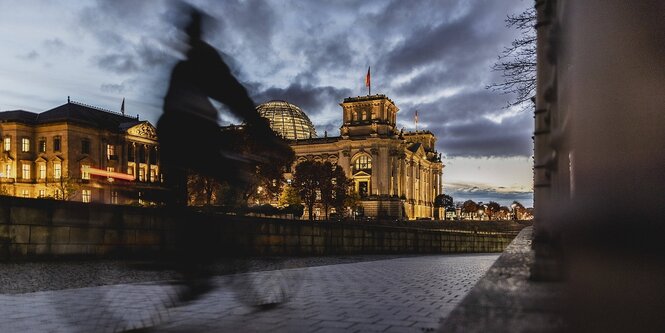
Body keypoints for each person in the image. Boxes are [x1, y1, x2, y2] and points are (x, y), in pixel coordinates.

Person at [157, 6, 290, 302]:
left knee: (177, 199)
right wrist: (268, 137)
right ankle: (204, 259)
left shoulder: (181, 65)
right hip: (195, 130)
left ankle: (190, 270)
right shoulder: (207, 58)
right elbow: (235, 97)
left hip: (169, 132)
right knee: (237, 178)